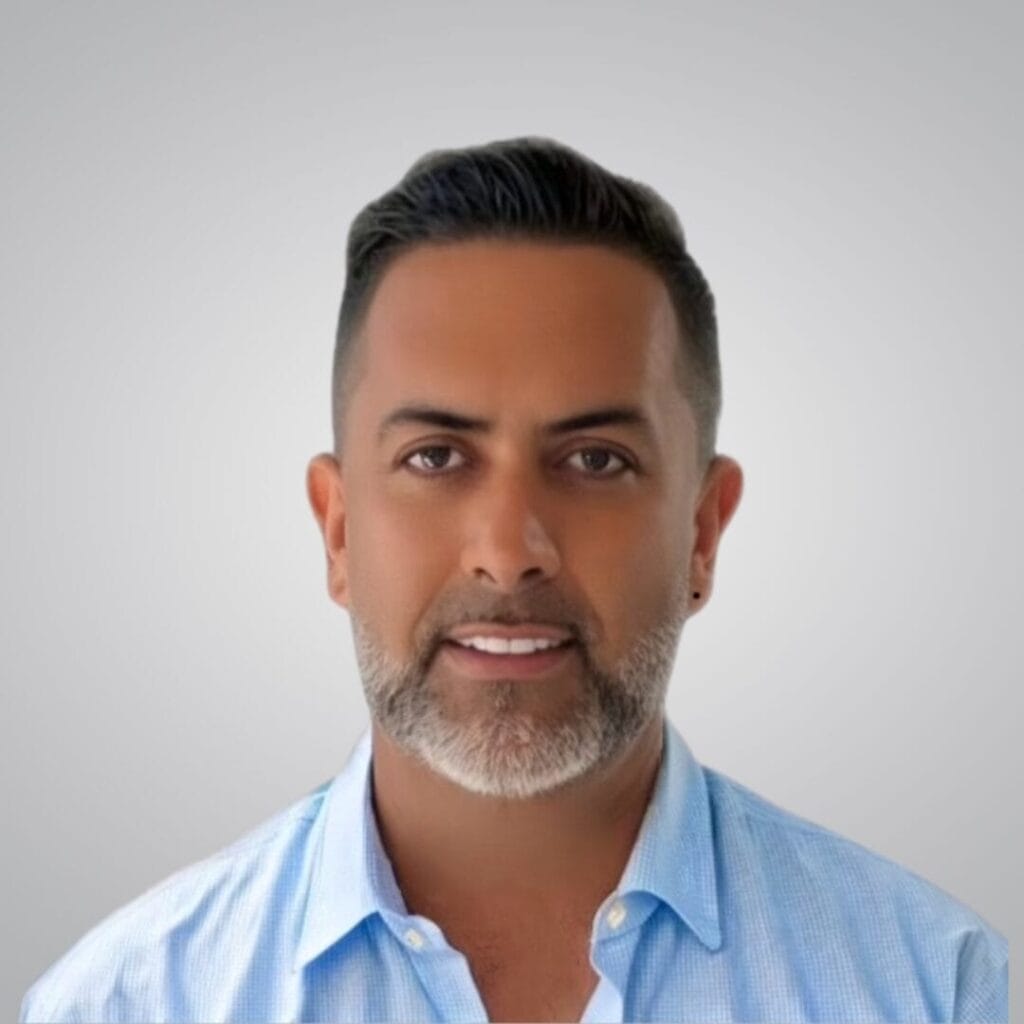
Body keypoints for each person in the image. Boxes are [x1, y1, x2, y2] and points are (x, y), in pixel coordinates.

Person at [20, 137, 1007, 1024]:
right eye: (437, 457)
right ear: (338, 529)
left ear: (702, 533)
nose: (507, 549)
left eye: (595, 461)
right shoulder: (127, 1002)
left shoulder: (940, 989)